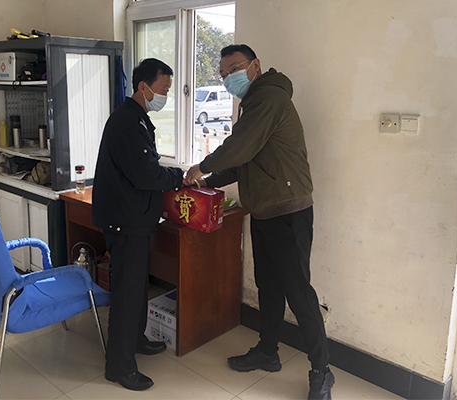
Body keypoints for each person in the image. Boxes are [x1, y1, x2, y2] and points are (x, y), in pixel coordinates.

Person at [184, 44, 334, 400]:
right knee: (268, 286)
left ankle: (322, 371)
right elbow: (244, 161)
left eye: (233, 68)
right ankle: (268, 352)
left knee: (298, 293)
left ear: (255, 65)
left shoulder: (269, 98)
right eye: (223, 74)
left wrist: (201, 167)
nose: (228, 78)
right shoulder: (253, 103)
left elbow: (238, 148)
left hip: (288, 212)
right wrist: (207, 182)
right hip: (265, 211)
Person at [92, 58, 184, 391]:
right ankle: (119, 366)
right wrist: (178, 177)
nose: (166, 95)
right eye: (163, 89)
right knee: (127, 293)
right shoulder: (127, 122)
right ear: (143, 87)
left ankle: (136, 339)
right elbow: (146, 173)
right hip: (125, 220)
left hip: (133, 218)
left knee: (137, 286)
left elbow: (145, 165)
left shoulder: (137, 118)